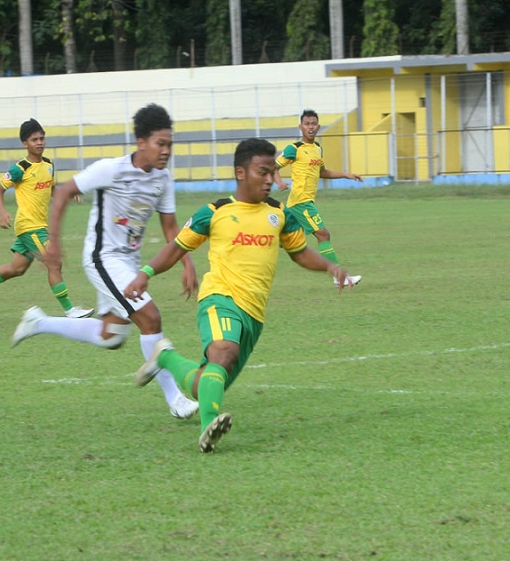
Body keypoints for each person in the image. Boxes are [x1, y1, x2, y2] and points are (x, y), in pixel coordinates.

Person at [125, 137, 353, 453]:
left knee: (206, 381)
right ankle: (208, 431)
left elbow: (299, 253)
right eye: (263, 172)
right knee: (223, 352)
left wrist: (330, 267)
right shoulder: (215, 212)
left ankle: (165, 357)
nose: (272, 180)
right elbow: (176, 247)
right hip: (219, 298)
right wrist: (144, 274)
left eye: (273, 172)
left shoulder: (279, 213)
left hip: (254, 314)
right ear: (241, 173)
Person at [10, 103, 200, 420]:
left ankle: (38, 322)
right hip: (102, 257)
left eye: (170, 144)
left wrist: (187, 263)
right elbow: (63, 193)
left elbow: (170, 226)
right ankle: (176, 400)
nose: (166, 151)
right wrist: (54, 244)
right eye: (160, 144)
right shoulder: (111, 169)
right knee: (150, 318)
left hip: (128, 260)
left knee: (111, 336)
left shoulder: (163, 180)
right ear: (142, 143)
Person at [0, 118, 94, 318]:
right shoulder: (20, 168)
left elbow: (50, 189)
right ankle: (70, 309)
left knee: (16, 269)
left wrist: (66, 193)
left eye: (42, 138)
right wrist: (2, 213)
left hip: (38, 225)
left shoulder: (49, 165)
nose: (40, 142)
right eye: (35, 139)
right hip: (29, 225)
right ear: (25, 143)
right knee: (54, 261)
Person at [274, 108, 363, 287]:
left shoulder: (317, 149)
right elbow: (273, 166)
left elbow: (322, 172)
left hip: (301, 203)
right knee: (323, 234)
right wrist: (280, 184)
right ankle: (340, 277)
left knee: (284, 240)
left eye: (314, 124)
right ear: (300, 127)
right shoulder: (294, 149)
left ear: (319, 126)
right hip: (301, 201)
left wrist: (346, 174)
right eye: (307, 124)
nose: (311, 127)